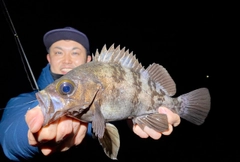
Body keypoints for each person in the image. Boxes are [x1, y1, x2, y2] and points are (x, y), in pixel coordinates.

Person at [0, 27, 181, 161]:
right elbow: (10, 135)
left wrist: (130, 117)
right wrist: (32, 131)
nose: (67, 60)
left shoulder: (96, 80)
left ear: (88, 60)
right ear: (49, 58)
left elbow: (104, 119)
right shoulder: (29, 98)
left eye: (75, 52)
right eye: (58, 52)